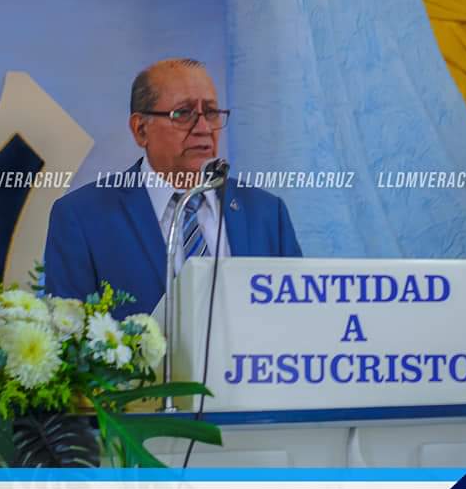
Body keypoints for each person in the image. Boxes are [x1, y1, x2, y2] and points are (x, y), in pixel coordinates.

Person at [43, 57, 302, 317]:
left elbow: (298, 319)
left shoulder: (266, 213)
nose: (203, 128)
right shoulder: (83, 217)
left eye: (211, 113)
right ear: (140, 129)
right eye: (183, 114)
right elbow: (71, 341)